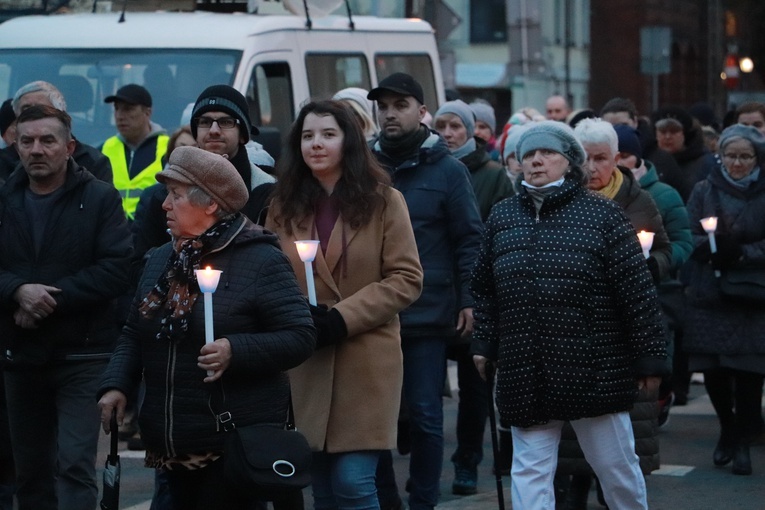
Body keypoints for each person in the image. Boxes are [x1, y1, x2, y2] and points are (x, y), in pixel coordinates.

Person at [97, 145, 316, 509]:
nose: (164, 205)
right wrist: (117, 384)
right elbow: (135, 331)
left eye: (176, 195)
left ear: (211, 204)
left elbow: (300, 336)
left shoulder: (260, 259)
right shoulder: (161, 259)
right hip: (172, 445)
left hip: (231, 446)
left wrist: (235, 350)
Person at [470, 120, 668, 510]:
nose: (537, 161)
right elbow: (485, 288)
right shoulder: (503, 216)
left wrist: (649, 357)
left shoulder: (603, 216)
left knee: (615, 468)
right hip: (526, 369)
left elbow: (637, 293)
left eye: (548, 153)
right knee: (529, 470)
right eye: (528, 154)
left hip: (594, 369)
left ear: (569, 163)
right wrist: (485, 342)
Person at [265, 99, 423, 510]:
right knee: (321, 488)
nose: (316, 144)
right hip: (307, 360)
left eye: (328, 134)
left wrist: (341, 317)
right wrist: (296, 316)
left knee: (354, 483)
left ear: (348, 141)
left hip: (366, 359)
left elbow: (406, 278)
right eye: (307, 135)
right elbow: (268, 277)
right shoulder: (283, 206)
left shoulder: (385, 201)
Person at [0, 105, 132, 510]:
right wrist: (18, 290)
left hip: (84, 353)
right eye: (27, 141)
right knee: (30, 471)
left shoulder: (99, 198)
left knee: (75, 464)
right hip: (21, 354)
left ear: (69, 146)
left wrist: (47, 299)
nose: (36, 149)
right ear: (15, 145)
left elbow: (116, 268)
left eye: (47, 140)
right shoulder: (5, 198)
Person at [367, 72, 484, 510]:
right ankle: (385, 500)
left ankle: (423, 501)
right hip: (371, 310)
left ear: (421, 112)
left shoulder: (449, 170)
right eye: (384, 106)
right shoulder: (364, 166)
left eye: (400, 105)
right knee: (373, 417)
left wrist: (470, 297)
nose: (390, 113)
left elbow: (469, 238)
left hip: (426, 310)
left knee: (425, 415)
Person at [432, 99, 513, 495]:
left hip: (475, 291)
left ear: (470, 131)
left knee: (474, 387)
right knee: (426, 387)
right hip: (430, 294)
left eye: (456, 127)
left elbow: (497, 233)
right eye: (441, 126)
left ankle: (468, 460)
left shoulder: (494, 176)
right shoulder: (426, 170)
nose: (448, 134)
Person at [683, 124, 765, 476]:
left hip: (751, 296)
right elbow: (690, 231)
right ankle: (727, 430)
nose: (737, 163)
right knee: (714, 369)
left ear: (757, 158)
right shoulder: (704, 189)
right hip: (710, 294)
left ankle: (744, 440)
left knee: (749, 372)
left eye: (745, 156)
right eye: (730, 155)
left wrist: (742, 253)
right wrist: (709, 249)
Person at [614, 123, 693, 409]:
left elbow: (683, 242)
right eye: (613, 154)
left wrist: (656, 263)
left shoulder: (663, 195)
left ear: (636, 157)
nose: (618, 162)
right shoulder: (592, 192)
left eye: (624, 155)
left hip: (655, 293)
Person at [190, 85, 275, 224]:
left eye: (225, 122)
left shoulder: (268, 193)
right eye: (205, 122)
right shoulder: (166, 194)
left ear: (242, 135)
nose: (214, 130)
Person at [0, 81, 112, 184]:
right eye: (25, 109)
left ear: (61, 114)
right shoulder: (3, 162)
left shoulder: (92, 161)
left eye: (41, 109)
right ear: (16, 116)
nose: (32, 115)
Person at [101, 84, 169, 220]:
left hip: (150, 230)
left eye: (128, 109)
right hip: (113, 229)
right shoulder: (106, 148)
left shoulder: (168, 147)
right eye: (116, 109)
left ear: (147, 113)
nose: (120, 116)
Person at [650, 105, 715, 203]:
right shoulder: (649, 163)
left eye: (674, 131)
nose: (668, 137)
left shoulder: (704, 162)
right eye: (663, 132)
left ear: (685, 134)